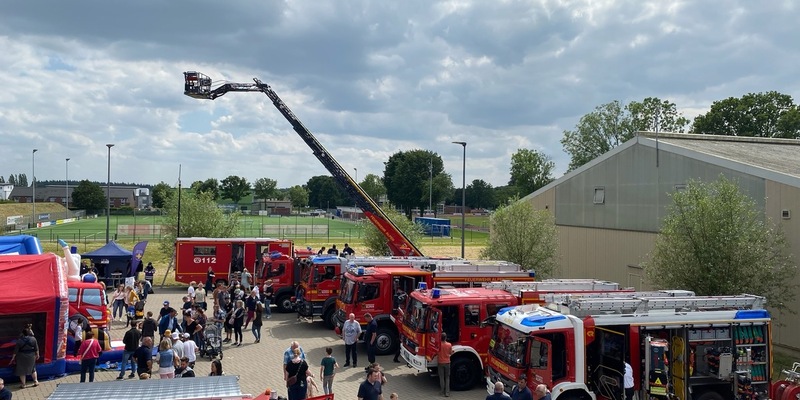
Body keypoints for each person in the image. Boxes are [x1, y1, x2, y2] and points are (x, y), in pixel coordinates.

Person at [438, 333, 453, 397]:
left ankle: (442, 391)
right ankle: (447, 393)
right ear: (446, 337)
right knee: (447, 378)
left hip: (440, 363)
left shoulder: (439, 345)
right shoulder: (449, 345)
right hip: (447, 362)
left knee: (441, 377)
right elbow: (450, 352)